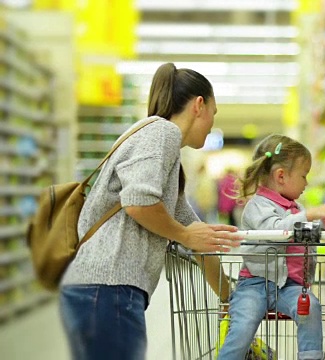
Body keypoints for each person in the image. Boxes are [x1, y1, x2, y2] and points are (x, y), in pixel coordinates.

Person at [59, 63, 244, 360]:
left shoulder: (165, 152)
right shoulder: (162, 132)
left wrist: (229, 298)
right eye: (214, 112)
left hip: (104, 290)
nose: (212, 124)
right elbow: (138, 203)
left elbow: (197, 237)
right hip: (107, 287)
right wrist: (184, 235)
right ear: (199, 105)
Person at [217, 134, 325, 360]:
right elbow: (276, 230)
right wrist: (309, 214)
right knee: (243, 322)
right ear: (281, 176)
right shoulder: (257, 206)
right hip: (255, 283)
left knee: (311, 308)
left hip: (290, 286)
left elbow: (302, 237)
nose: (306, 182)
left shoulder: (295, 208)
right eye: (304, 175)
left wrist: (323, 225)